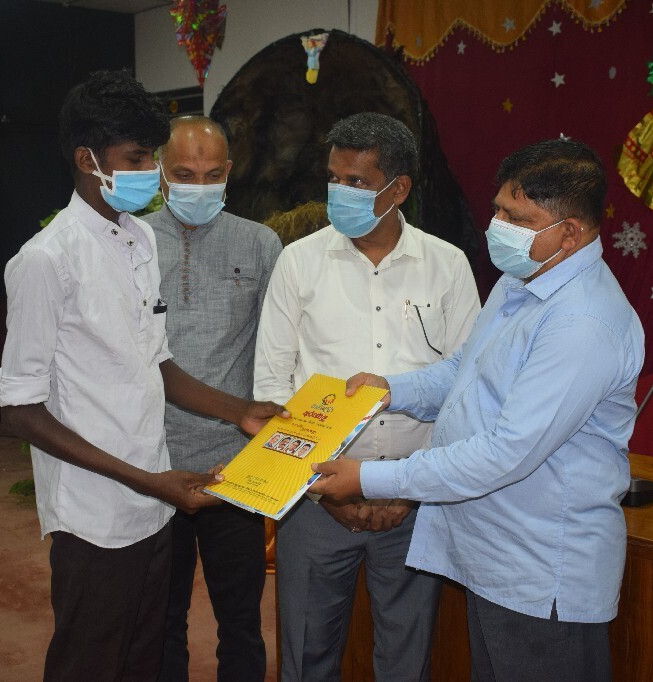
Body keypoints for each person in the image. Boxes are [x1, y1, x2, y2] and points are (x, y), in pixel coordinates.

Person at [311, 138, 644, 681]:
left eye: (518, 219)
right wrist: (389, 389)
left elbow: (506, 452)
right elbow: (464, 371)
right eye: (498, 210)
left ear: (570, 233)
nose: (498, 227)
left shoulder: (582, 322)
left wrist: (369, 478)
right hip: (494, 556)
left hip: (539, 572)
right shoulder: (522, 279)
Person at [0, 71, 285, 682]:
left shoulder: (137, 242)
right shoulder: (45, 260)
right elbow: (19, 409)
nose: (150, 172)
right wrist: (148, 480)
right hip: (96, 514)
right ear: (89, 161)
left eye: (152, 157)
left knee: (145, 659)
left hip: (154, 504)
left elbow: (157, 363)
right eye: (137, 159)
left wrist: (238, 411)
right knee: (92, 660)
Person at [253, 111, 480, 681]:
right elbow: (271, 390)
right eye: (334, 178)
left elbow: (468, 388)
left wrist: (407, 492)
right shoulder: (298, 261)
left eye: (356, 182)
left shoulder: (448, 265)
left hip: (413, 502)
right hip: (314, 501)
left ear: (398, 189)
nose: (340, 192)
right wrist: (322, 493)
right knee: (306, 657)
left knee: (407, 660)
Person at [142, 115, 282, 682]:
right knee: (160, 620)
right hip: (152, 464)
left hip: (235, 467)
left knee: (242, 621)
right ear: (160, 173)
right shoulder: (131, 242)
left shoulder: (260, 242)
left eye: (210, 174)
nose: (197, 186)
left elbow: (277, 351)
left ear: (228, 172)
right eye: (183, 174)